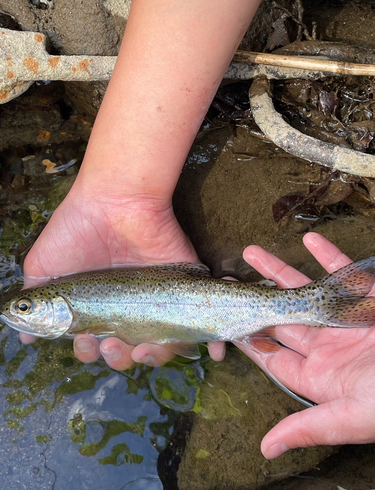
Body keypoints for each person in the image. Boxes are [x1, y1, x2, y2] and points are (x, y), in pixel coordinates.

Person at [21, 0, 375, 459]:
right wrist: (117, 194)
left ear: (52, 304)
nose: (19, 313)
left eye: (27, 307)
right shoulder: (72, 295)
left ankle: (317, 305)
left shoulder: (76, 302)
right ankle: (315, 305)